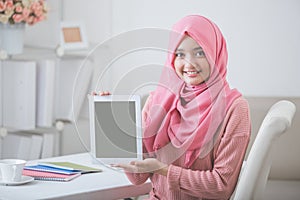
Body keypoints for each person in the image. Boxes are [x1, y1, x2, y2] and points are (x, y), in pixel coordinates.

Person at [96, 15, 251, 200]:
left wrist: (162, 169)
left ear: (215, 53)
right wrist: (112, 117)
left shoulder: (235, 109)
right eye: (179, 54)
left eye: (200, 52)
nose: (189, 63)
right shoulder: (157, 101)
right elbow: (137, 176)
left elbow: (221, 186)